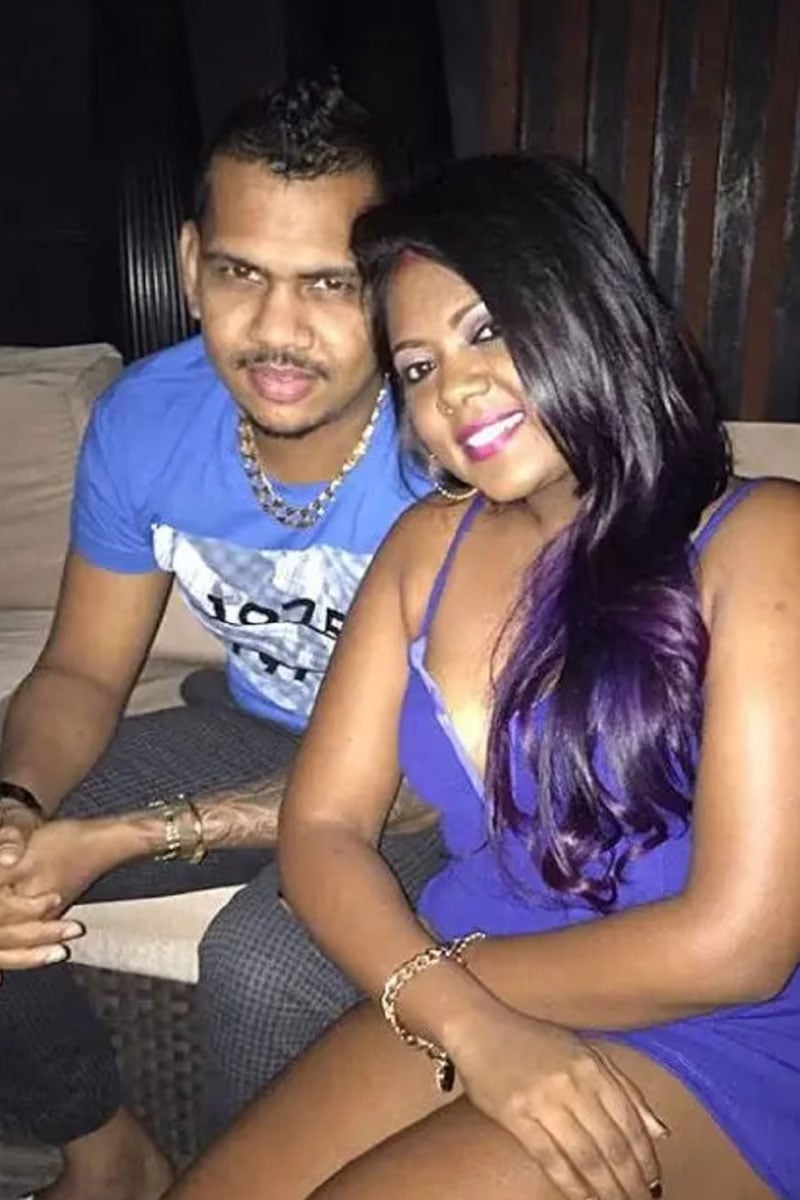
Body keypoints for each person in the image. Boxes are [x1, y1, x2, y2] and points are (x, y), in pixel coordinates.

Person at [166, 154, 800, 1200]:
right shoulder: (425, 548)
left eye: (488, 329)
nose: (452, 388)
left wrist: (446, 990)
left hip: (720, 1036)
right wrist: (464, 1019)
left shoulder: (759, 539)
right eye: (416, 367)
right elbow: (321, 828)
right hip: (469, 991)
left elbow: (735, 947)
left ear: (587, 312)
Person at [0, 79, 445, 1200]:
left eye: (328, 284)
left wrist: (124, 837)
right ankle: (106, 1154)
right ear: (191, 261)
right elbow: (79, 671)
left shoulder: (452, 448)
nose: (277, 331)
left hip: (431, 787)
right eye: (242, 273)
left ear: (393, 282)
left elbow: (441, 781)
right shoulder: (148, 419)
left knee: (264, 964)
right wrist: (16, 809)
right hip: (254, 728)